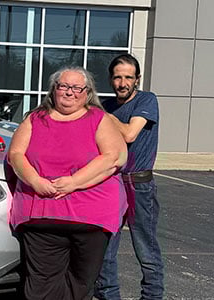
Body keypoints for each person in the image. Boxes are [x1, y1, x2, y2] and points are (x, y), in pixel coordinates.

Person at [8, 66, 128, 300]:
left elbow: (113, 156)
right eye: (63, 86)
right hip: (42, 215)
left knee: (81, 282)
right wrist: (35, 180)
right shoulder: (35, 118)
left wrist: (74, 182)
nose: (69, 92)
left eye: (76, 88)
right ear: (54, 90)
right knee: (41, 284)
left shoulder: (98, 118)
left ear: (87, 92)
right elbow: (16, 155)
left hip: (91, 218)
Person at [94, 54, 163, 299]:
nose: (122, 83)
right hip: (111, 184)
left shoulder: (146, 100)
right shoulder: (106, 105)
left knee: (145, 247)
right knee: (105, 248)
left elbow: (130, 134)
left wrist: (100, 114)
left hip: (139, 185)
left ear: (137, 79)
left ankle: (152, 296)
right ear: (111, 79)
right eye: (117, 77)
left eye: (128, 77)